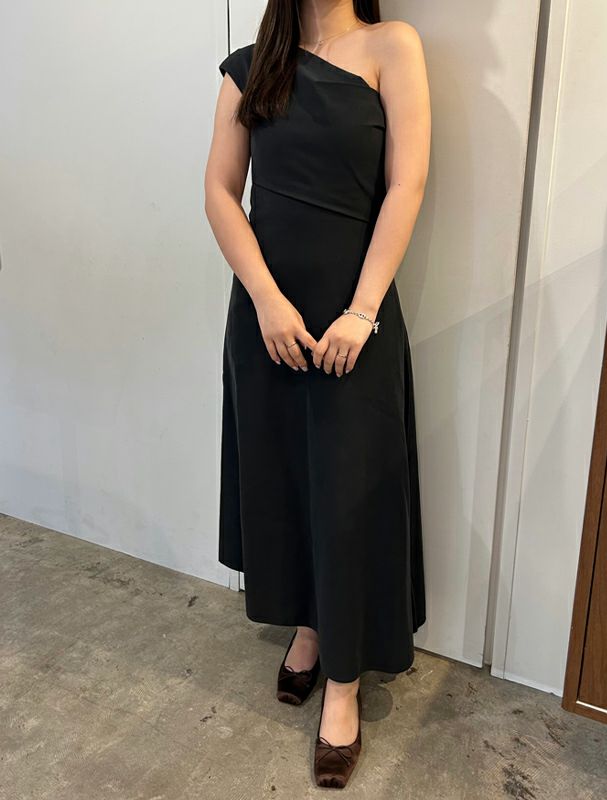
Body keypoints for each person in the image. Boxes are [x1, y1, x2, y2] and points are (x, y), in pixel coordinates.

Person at [204, 0, 430, 788]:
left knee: (347, 493)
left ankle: (343, 682)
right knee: (289, 484)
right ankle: (308, 626)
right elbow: (220, 191)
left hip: (352, 321)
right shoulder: (251, 65)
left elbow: (406, 183)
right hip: (268, 319)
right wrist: (266, 300)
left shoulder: (392, 46)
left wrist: (363, 311)